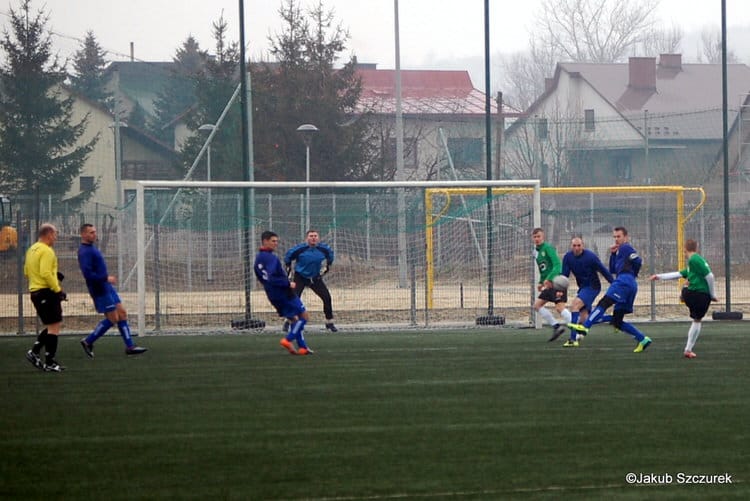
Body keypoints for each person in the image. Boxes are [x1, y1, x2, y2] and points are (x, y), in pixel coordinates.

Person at [569, 226, 653, 353]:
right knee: (617, 321)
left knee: (604, 303)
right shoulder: (619, 251)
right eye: (614, 237)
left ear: (626, 237)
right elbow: (613, 269)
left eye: (618, 236)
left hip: (624, 281)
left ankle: (585, 327)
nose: (616, 239)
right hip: (630, 284)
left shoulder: (626, 247)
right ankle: (642, 339)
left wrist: (632, 272)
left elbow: (638, 260)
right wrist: (613, 254)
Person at [77, 223, 147, 357]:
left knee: (122, 313)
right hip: (99, 289)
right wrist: (105, 278)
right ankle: (88, 341)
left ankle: (130, 347)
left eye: (95, 232)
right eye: (91, 232)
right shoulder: (84, 251)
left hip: (106, 287)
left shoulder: (92, 248)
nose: (94, 234)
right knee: (113, 318)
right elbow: (88, 274)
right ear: (83, 234)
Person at [649, 239, 717, 358]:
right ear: (696, 248)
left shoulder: (694, 260)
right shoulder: (695, 260)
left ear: (685, 249)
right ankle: (688, 349)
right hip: (700, 295)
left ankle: (688, 350)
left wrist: (659, 277)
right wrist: (712, 295)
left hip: (693, 294)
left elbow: (679, 274)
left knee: (696, 319)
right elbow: (710, 276)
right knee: (697, 320)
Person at [254, 230, 314, 356]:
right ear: (265, 241)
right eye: (273, 241)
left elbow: (262, 278)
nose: (276, 244)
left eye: (277, 241)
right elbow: (270, 277)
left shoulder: (258, 259)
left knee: (294, 319)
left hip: (272, 294)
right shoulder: (271, 258)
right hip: (284, 292)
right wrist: (287, 284)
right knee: (304, 317)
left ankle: (303, 348)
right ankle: (287, 339)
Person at [557, 236, 614, 347]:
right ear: (571, 246)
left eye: (579, 245)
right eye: (574, 245)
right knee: (584, 319)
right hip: (583, 287)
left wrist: (614, 284)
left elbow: (603, 270)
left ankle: (572, 339)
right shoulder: (568, 257)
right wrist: (560, 290)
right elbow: (564, 276)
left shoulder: (591, 257)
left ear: (583, 246)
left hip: (593, 287)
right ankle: (614, 319)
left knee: (574, 306)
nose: (577, 248)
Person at [24, 223, 66, 372]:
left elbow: (27, 272)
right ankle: (49, 361)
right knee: (54, 326)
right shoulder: (47, 251)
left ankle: (35, 352)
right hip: (45, 291)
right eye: (55, 234)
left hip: (35, 292)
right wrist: (57, 289)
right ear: (48, 234)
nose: (56, 237)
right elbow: (46, 273)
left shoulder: (32, 249)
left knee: (51, 325)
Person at [283, 229, 337, 332]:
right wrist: (288, 269)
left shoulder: (324, 249)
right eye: (311, 236)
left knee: (327, 297)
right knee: (294, 299)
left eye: (315, 236)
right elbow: (288, 257)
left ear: (318, 238)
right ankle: (288, 321)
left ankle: (329, 322)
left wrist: (327, 267)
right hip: (300, 277)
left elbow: (330, 257)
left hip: (315, 278)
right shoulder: (300, 249)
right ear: (307, 238)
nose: (313, 238)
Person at [531, 228, 571, 340]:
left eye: (538, 236)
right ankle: (556, 326)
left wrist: (549, 279)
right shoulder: (536, 252)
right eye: (534, 237)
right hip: (548, 284)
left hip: (556, 283)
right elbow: (543, 269)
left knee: (560, 308)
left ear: (543, 237)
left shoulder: (548, 248)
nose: (536, 239)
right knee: (537, 305)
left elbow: (558, 265)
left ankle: (577, 330)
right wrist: (540, 282)